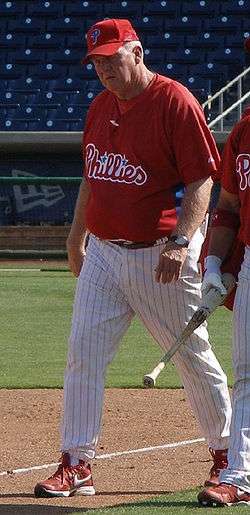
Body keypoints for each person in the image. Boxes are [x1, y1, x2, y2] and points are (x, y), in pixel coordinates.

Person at [34, 18, 232, 499]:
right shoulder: (101, 105)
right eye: (96, 62)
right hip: (103, 251)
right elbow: (92, 175)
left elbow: (203, 179)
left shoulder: (173, 101)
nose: (104, 69)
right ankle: (77, 462)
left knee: (190, 355)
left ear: (137, 53)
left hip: (157, 256)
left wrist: (182, 241)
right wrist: (75, 236)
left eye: (111, 58)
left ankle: (229, 455)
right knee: (83, 355)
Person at [198, 107, 250, 507]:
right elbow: (229, 205)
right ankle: (240, 475)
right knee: (247, 372)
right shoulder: (244, 129)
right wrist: (215, 263)